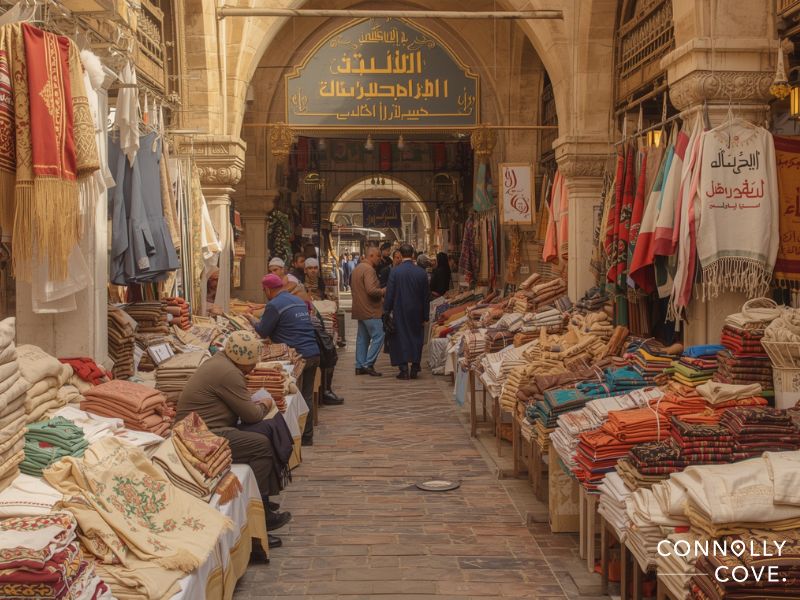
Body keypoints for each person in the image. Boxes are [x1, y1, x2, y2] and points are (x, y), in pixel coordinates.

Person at [176, 330, 290, 548]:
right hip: (202, 434)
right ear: (242, 360)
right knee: (261, 445)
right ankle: (258, 515)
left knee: (266, 430)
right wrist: (266, 402)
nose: (254, 368)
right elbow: (252, 414)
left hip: (207, 427)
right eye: (252, 364)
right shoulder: (228, 373)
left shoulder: (222, 363)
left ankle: (263, 503)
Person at [249, 274, 320, 446]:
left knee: (292, 397)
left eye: (263, 290)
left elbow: (263, 331)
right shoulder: (296, 300)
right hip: (313, 352)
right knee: (306, 396)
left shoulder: (274, 305)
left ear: (267, 289)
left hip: (297, 356)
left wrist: (250, 319)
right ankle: (306, 437)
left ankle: (292, 439)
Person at [384, 243, 430, 380]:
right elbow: (426, 296)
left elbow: (390, 293)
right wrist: (426, 315)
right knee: (416, 337)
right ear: (413, 255)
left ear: (401, 255)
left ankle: (403, 369)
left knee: (400, 337)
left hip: (400, 310)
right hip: (417, 311)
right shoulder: (421, 273)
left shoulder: (395, 272)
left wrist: (386, 310)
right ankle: (415, 366)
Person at [351, 246, 385, 377]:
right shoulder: (369, 270)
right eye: (378, 256)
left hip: (360, 309)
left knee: (362, 338)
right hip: (370, 310)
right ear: (370, 256)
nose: (379, 259)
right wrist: (383, 291)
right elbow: (371, 290)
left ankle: (359, 366)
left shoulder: (357, 269)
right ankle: (368, 363)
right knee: (379, 335)